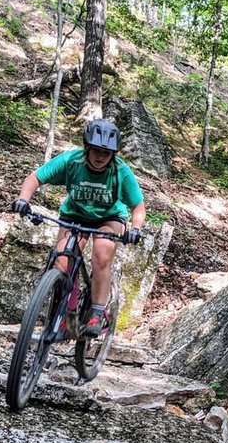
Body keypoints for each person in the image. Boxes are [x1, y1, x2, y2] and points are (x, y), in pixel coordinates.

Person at [12, 119, 146, 337]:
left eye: (106, 151)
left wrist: (136, 228)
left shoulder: (121, 172)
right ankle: (68, 314)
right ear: (87, 147)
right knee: (63, 260)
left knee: (102, 252)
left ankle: (97, 312)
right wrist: (23, 200)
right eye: (96, 150)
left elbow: (138, 206)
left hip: (110, 218)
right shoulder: (71, 161)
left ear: (114, 153)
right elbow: (35, 178)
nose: (100, 156)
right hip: (74, 216)